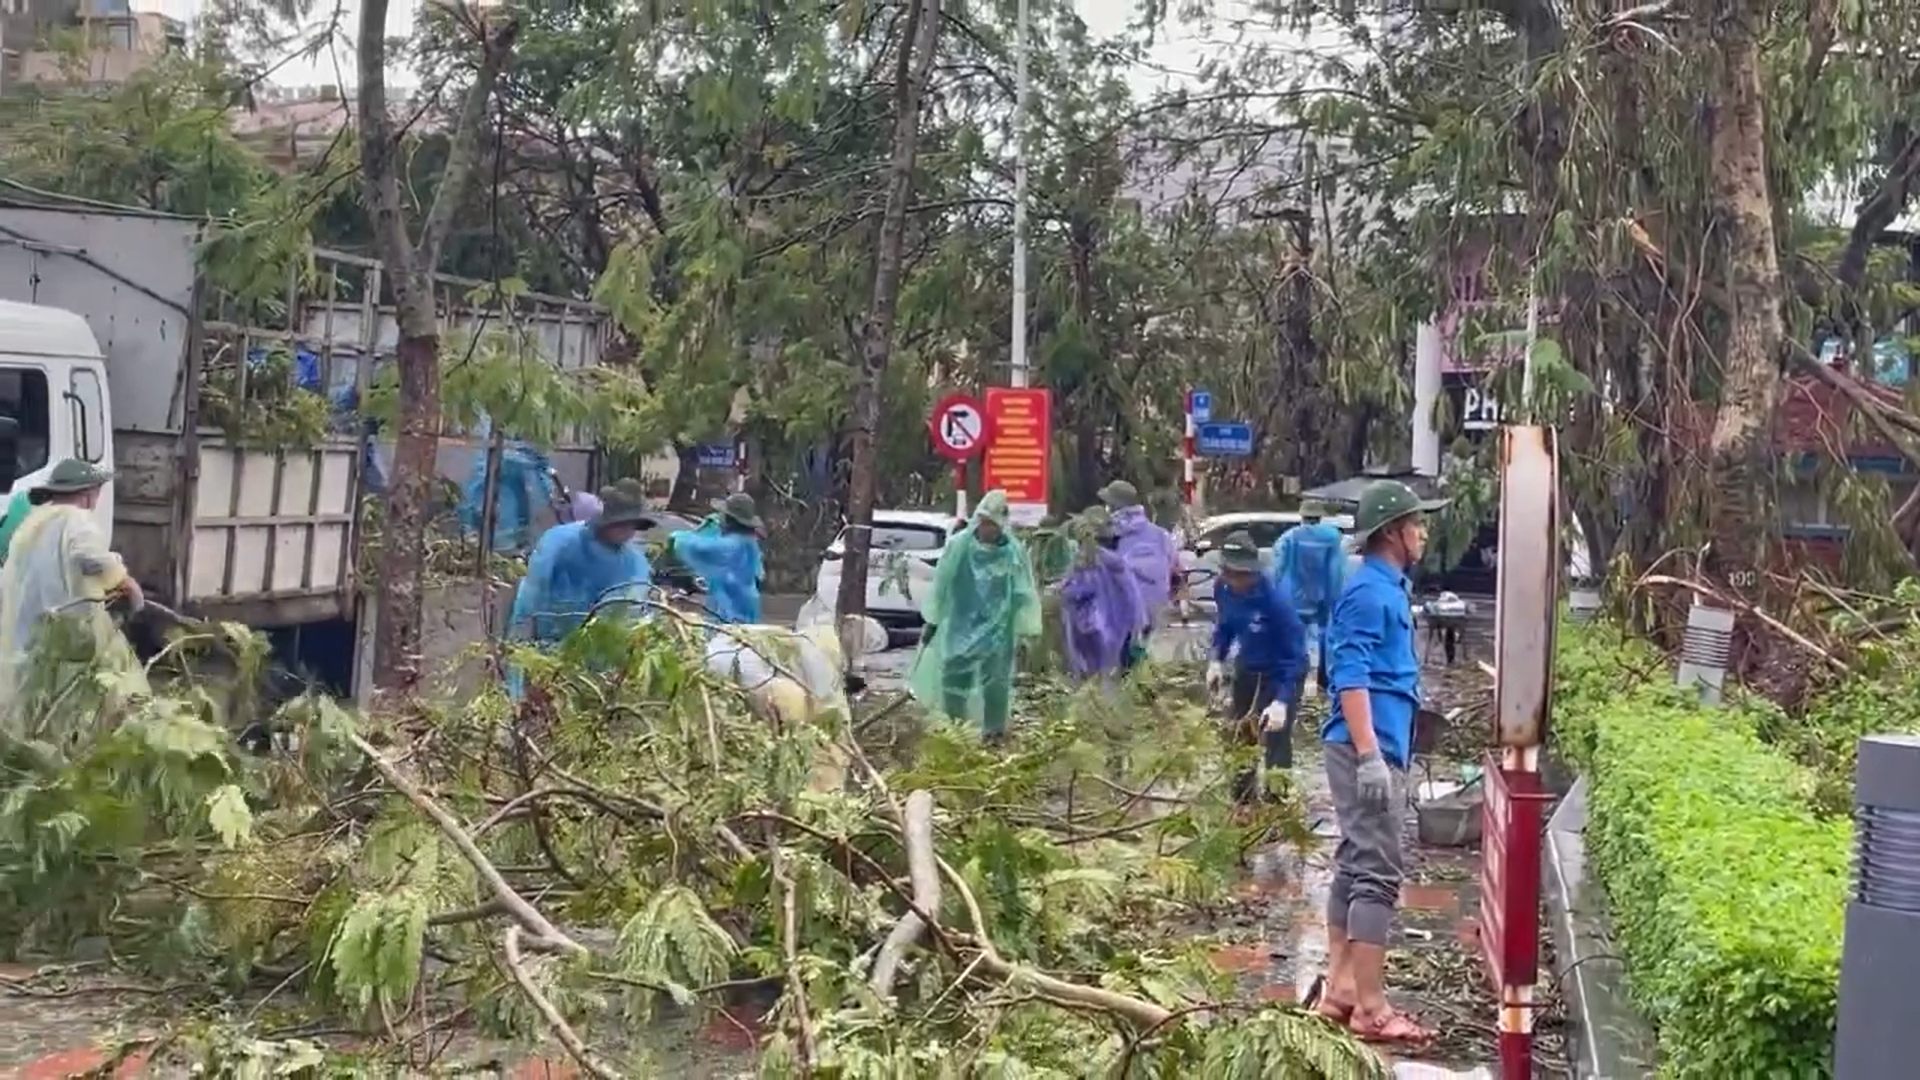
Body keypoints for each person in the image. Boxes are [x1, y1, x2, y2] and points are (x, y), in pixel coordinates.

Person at [1314, 479, 1446, 1046]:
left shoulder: (1387, 586)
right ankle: (1370, 1007)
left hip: (1377, 743)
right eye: (1416, 523)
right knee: (1377, 871)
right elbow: (1350, 674)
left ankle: (1342, 989)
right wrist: (1369, 755)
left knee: (1354, 860)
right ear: (1392, 531)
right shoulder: (1368, 591)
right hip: (1364, 749)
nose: (1422, 533)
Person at [0, 459, 147, 741]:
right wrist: (124, 582)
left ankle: (28, 744)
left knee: (31, 692)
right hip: (64, 628)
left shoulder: (35, 519)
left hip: (28, 621)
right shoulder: (76, 520)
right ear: (87, 493)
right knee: (77, 689)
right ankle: (66, 747)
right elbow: (90, 556)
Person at [909, 490, 1042, 743]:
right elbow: (941, 585)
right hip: (961, 624)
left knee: (996, 682)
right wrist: (933, 620)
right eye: (983, 522)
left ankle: (994, 732)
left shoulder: (1013, 551)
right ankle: (955, 729)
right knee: (954, 674)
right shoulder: (959, 546)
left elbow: (1024, 590)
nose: (987, 529)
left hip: (998, 630)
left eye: (992, 524)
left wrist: (1027, 630)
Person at [1204, 530, 1308, 801]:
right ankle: (1242, 801)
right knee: (1240, 733)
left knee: (1276, 738)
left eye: (1246, 574)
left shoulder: (1276, 601)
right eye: (1234, 574)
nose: (1242, 581)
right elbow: (1225, 627)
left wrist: (1282, 701)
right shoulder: (1222, 590)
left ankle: (1278, 803)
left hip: (1281, 671)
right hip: (1249, 666)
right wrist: (1216, 659)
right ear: (1225, 572)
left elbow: (1295, 656)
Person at [507, 484, 654, 648]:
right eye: (622, 524)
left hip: (599, 652)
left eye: (632, 525)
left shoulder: (634, 561)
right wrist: (518, 644)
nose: (627, 531)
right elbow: (532, 593)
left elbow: (635, 608)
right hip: (548, 644)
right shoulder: (561, 542)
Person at [1060, 510, 1147, 681]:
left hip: (1081, 635)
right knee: (1110, 683)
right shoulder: (1117, 564)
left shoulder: (1076, 565)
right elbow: (1133, 597)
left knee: (1086, 684)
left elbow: (1069, 596)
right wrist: (1138, 627)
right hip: (1114, 633)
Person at [1099, 479, 1178, 666]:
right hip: (1156, 612)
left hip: (1123, 614)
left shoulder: (1111, 535)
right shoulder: (1160, 535)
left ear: (1113, 506)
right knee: (1145, 666)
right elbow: (1175, 569)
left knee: (1123, 666)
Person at [1273, 499, 1347, 698]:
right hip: (1320, 600)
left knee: (1292, 639)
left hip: (1293, 600)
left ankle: (1290, 682)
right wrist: (1333, 599)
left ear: (1302, 516)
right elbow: (1337, 572)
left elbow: (1278, 569)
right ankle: (1312, 683)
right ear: (1320, 516)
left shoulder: (1290, 537)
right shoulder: (1333, 538)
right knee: (1316, 639)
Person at [669, 492, 766, 624]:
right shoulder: (749, 543)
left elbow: (699, 547)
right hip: (747, 605)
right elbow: (759, 574)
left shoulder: (732, 544)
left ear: (729, 519)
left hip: (731, 612)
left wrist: (677, 536)